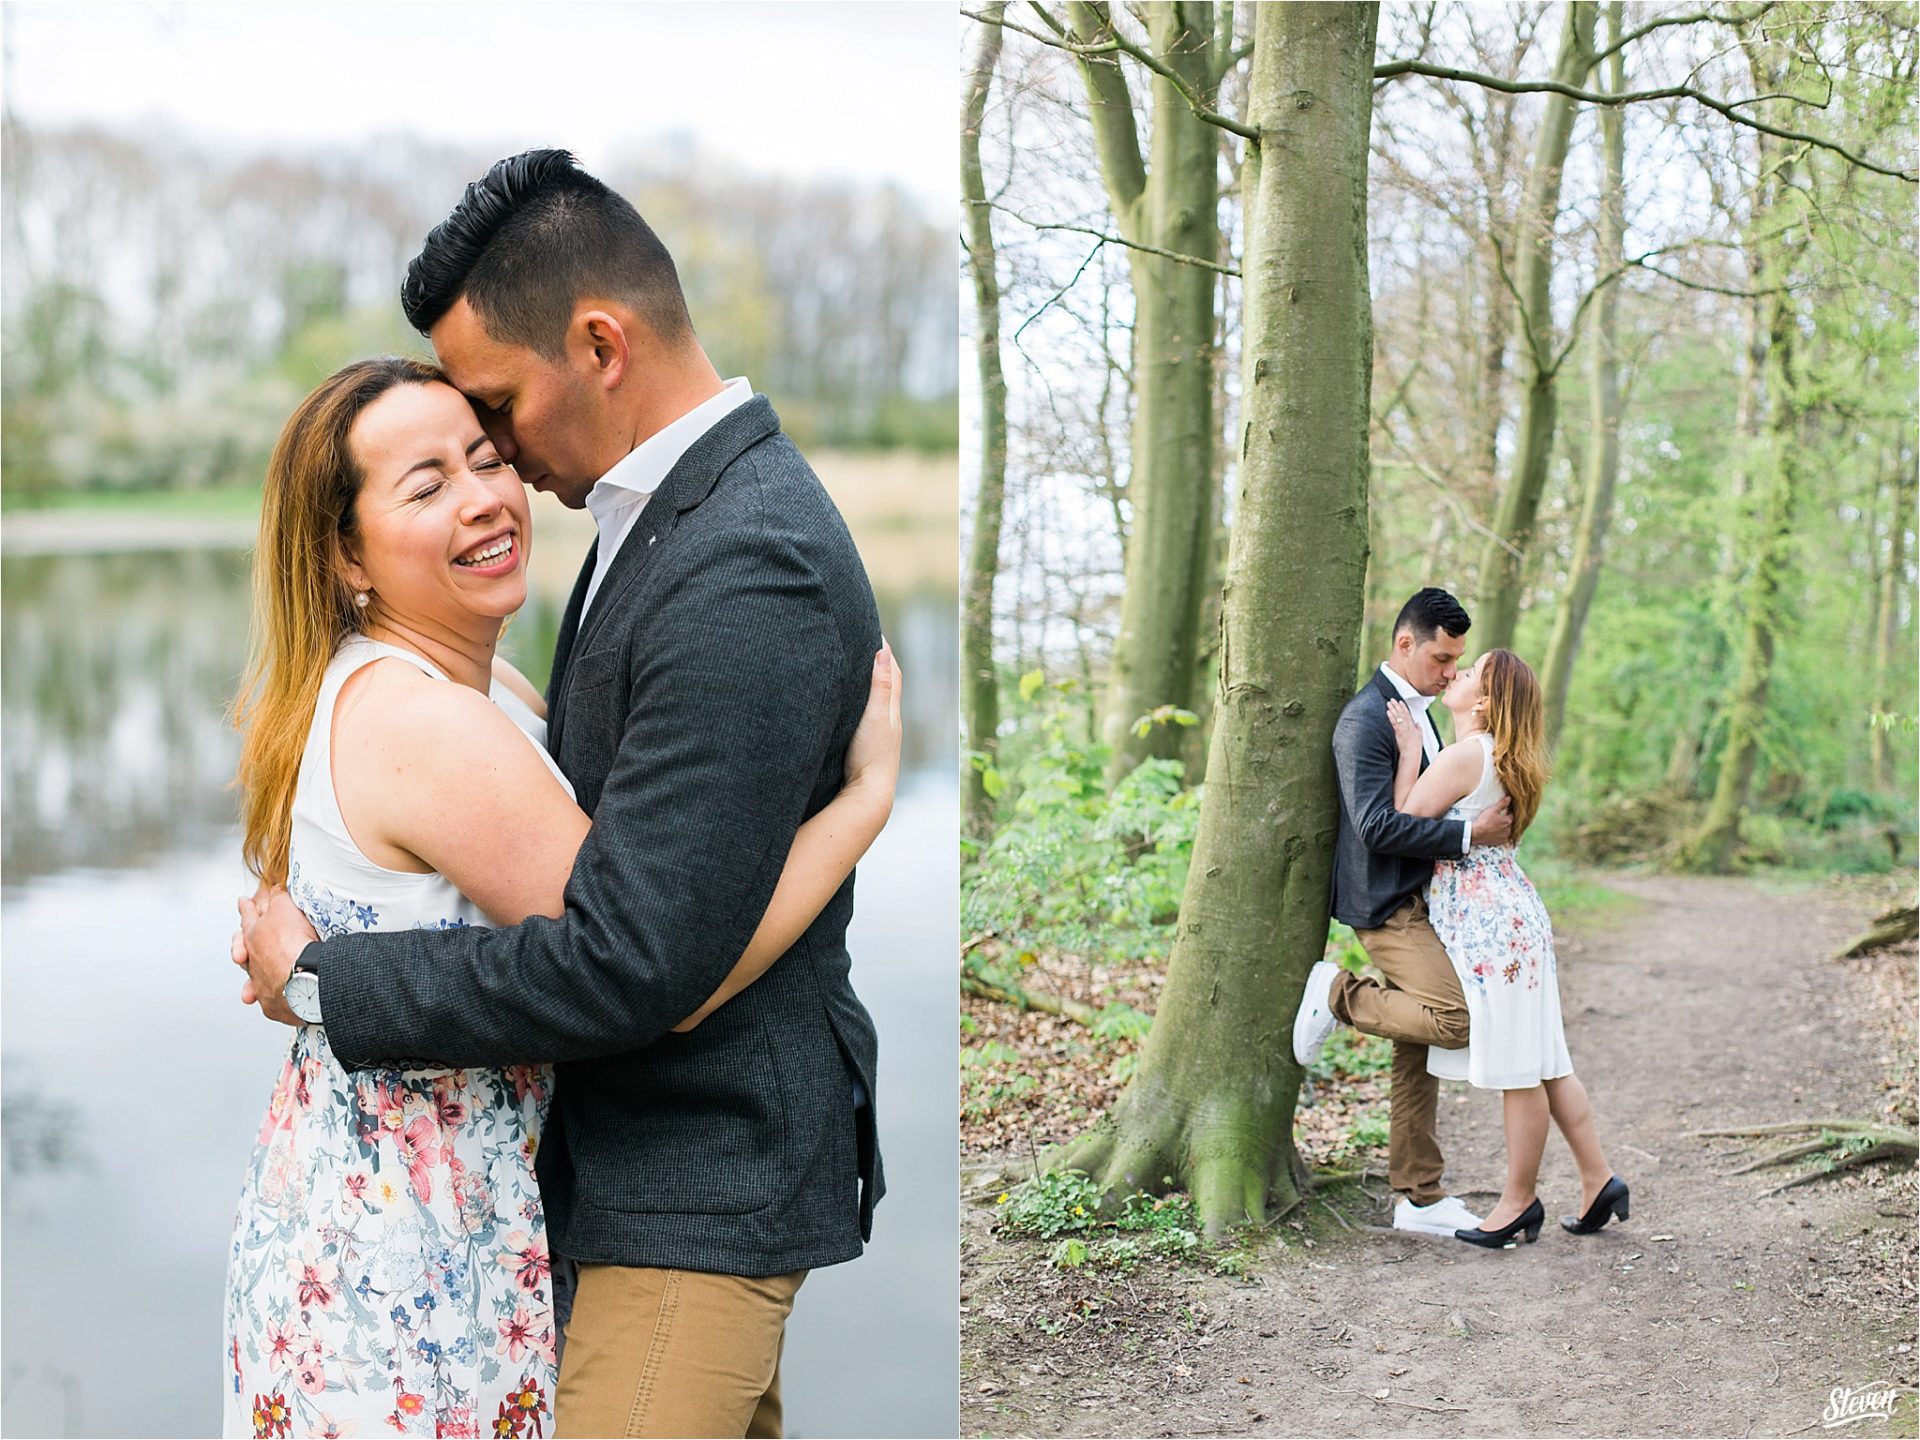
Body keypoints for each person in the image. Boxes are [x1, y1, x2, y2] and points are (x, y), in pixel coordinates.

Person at [237, 150, 890, 1437]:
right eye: (437, 472)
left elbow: (638, 962)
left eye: (493, 421)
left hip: (698, 1175)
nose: (500, 474)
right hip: (572, 1196)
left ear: (599, 343)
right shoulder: (646, 526)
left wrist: (326, 981)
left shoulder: (741, 557)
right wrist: (859, 805)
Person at [1384, 648, 1629, 1247]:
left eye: (1469, 674)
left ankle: (1518, 1201)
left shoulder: (1469, 755)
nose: (1456, 676)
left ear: (1486, 702)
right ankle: (1598, 1179)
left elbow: (1403, 822)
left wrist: (1413, 753)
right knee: (1547, 1061)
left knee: (1522, 1067)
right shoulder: (1509, 758)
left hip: (1488, 927)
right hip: (1518, 916)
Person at [1293, 588, 1513, 1236]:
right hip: (1385, 903)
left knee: (1414, 1046)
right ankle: (1336, 993)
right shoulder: (1365, 720)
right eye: (1443, 658)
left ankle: (1418, 1195)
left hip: (1425, 900)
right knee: (1454, 1016)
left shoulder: (1420, 713)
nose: (1451, 672)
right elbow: (1374, 827)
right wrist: (1472, 837)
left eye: (1458, 662)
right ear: (1405, 643)